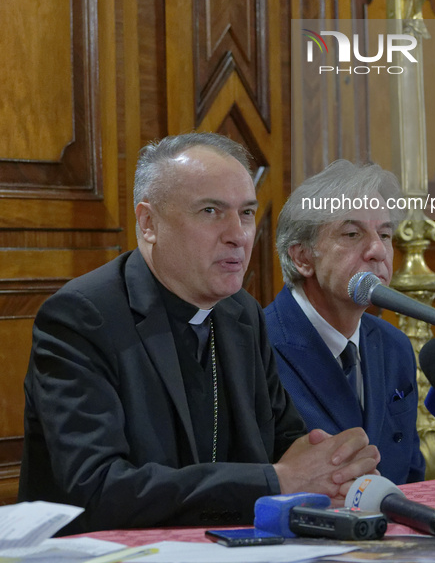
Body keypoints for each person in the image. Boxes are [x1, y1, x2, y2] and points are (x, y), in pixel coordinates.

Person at [19, 134, 380, 533]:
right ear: (149, 222)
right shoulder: (83, 317)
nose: (238, 234)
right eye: (211, 211)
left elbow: (285, 440)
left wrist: (331, 463)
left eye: (246, 213)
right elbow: (96, 489)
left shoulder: (240, 312)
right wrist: (275, 481)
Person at [265, 160, 425, 485]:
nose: (378, 250)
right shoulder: (257, 345)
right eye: (352, 234)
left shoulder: (394, 346)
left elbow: (411, 477)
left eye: (384, 234)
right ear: (303, 258)